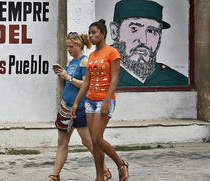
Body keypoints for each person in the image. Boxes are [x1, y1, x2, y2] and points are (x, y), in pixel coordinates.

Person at [46, 32, 111, 181]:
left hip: (80, 108)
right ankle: (55, 175)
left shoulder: (85, 62)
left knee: (88, 141)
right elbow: (67, 85)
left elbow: (86, 85)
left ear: (80, 45)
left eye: (71, 46)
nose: (69, 49)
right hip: (65, 107)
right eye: (67, 46)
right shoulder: (71, 62)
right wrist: (61, 76)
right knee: (62, 142)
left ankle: (105, 170)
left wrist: (68, 76)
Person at [71, 19, 129, 181]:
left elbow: (115, 78)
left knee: (96, 138)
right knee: (94, 142)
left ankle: (121, 164)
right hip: (90, 100)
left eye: (94, 33)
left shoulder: (112, 52)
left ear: (103, 34)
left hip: (105, 100)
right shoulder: (92, 56)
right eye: (89, 33)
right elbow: (87, 81)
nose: (91, 36)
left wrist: (107, 100)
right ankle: (99, 177)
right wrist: (76, 102)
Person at [109, 0, 188, 87]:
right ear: (114, 31)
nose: (144, 40)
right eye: (134, 28)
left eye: (151, 31)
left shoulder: (177, 81)